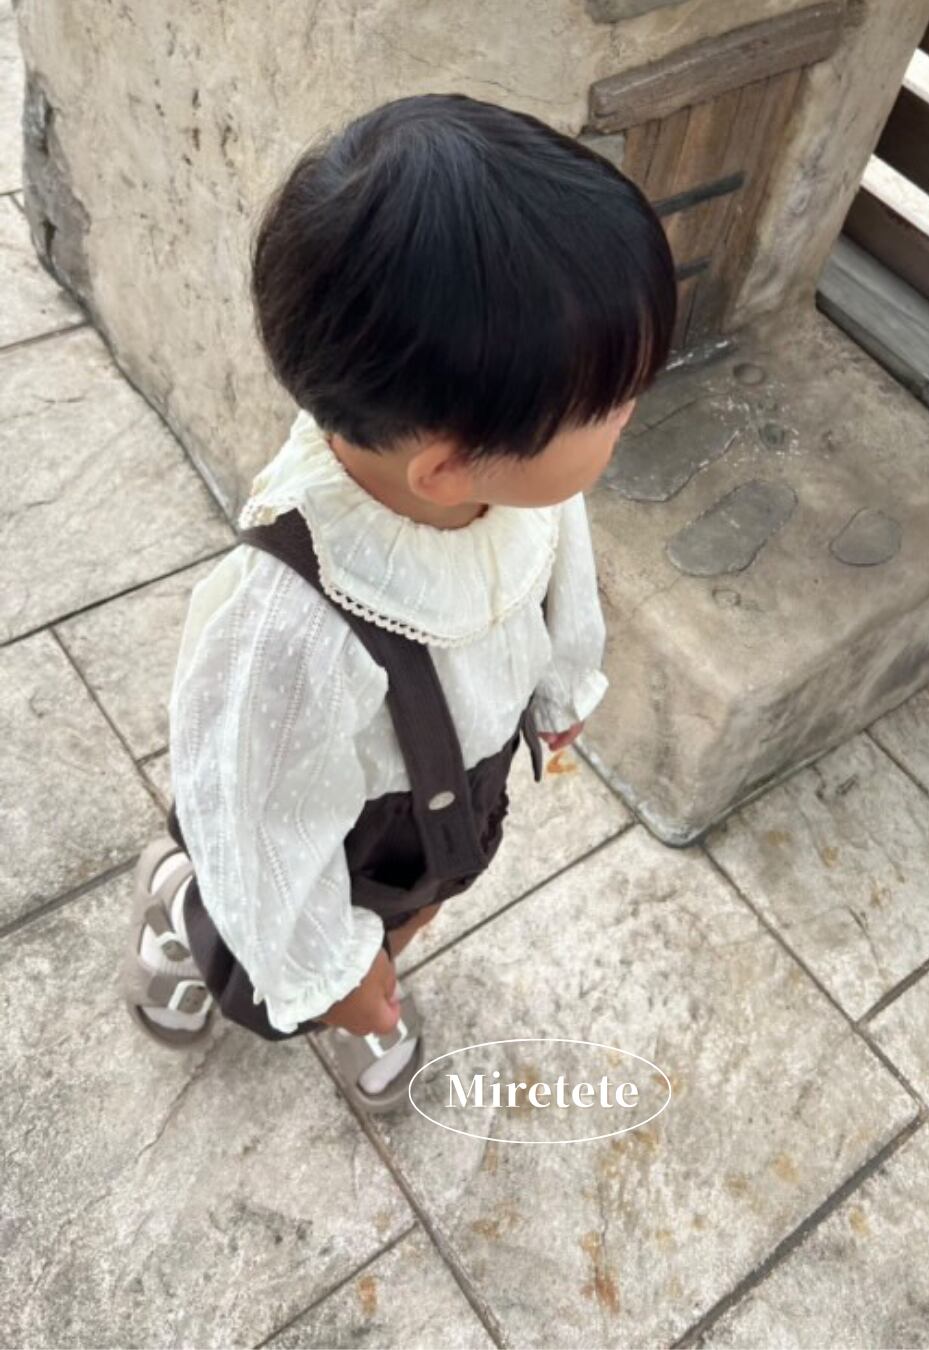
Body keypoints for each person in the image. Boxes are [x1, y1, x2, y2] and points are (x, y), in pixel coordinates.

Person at [121, 92, 676, 1112]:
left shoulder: (516, 484)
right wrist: (331, 971)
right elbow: (255, 815)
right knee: (268, 948)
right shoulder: (288, 625)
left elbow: (558, 565)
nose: (633, 410)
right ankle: (180, 911)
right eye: (612, 405)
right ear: (450, 467)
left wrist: (561, 684)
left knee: (408, 912)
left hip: (441, 801)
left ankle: (373, 958)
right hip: (322, 839)